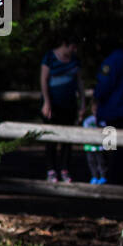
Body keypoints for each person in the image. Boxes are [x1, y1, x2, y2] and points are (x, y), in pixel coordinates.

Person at [91, 46, 123, 184]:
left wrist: (96, 97)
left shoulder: (112, 61)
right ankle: (122, 178)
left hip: (113, 112)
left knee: (111, 147)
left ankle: (110, 177)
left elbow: (104, 85)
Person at [39, 36, 82, 183]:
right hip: (53, 104)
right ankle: (51, 169)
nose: (74, 50)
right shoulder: (49, 57)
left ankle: (65, 169)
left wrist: (82, 103)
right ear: (65, 43)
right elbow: (43, 79)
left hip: (69, 104)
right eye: (72, 46)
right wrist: (46, 101)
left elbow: (79, 82)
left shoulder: (75, 60)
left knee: (67, 138)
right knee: (51, 137)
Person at [83, 114, 108, 184]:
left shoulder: (103, 120)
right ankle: (94, 176)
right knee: (92, 162)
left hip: (100, 147)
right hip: (90, 146)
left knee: (101, 162)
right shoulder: (87, 120)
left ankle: (103, 177)